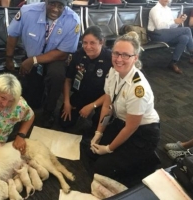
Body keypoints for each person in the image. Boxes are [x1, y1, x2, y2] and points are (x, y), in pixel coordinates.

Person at [80, 32, 160, 186]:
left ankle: (147, 160)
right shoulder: (113, 72)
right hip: (122, 122)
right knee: (88, 147)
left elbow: (131, 127)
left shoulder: (138, 89)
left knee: (101, 169)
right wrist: (99, 133)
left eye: (125, 55)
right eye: (116, 53)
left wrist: (109, 149)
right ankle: (134, 159)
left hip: (143, 134)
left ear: (135, 58)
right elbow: (106, 105)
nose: (118, 59)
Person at [6, 0, 80, 128]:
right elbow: (13, 34)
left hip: (55, 58)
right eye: (52, 4)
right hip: (31, 55)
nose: (55, 9)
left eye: (60, 6)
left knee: (57, 76)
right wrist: (9, 58)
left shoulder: (73, 20)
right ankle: (38, 97)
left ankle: (49, 111)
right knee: (34, 102)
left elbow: (63, 53)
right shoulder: (27, 11)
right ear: (45, 2)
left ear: (65, 6)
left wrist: (33, 60)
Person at [60, 26, 112, 130]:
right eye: (85, 42)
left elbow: (111, 92)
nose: (87, 47)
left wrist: (92, 106)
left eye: (92, 43)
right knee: (64, 122)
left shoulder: (110, 59)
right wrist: (66, 102)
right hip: (81, 94)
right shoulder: (78, 55)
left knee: (100, 125)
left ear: (101, 42)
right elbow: (68, 80)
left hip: (102, 97)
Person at [147, 0, 193, 74]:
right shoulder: (155, 9)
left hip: (167, 34)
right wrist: (174, 21)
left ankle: (173, 62)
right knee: (187, 29)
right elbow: (159, 27)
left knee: (184, 38)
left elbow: (172, 26)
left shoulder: (168, 10)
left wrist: (179, 21)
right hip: (156, 34)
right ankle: (192, 52)